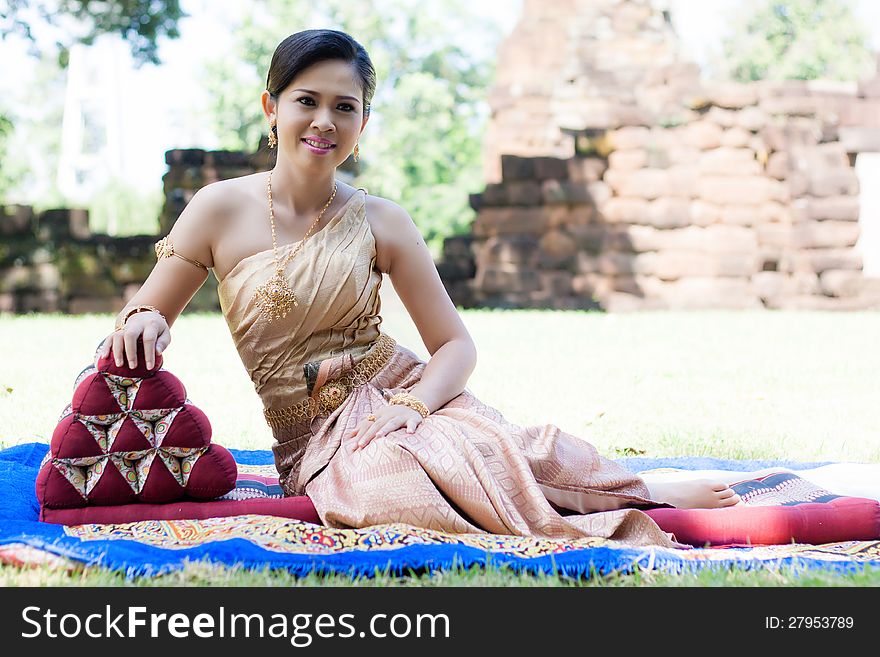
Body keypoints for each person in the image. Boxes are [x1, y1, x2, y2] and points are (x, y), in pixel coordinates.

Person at [96, 29, 742, 548]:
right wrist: (147, 322)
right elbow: (146, 307)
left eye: (344, 107)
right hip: (316, 435)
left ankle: (644, 489)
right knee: (389, 491)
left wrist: (416, 408)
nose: (324, 121)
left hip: (405, 396)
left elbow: (455, 346)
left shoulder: (382, 220)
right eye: (307, 100)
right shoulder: (218, 208)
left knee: (503, 447)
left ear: (363, 123)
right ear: (272, 108)